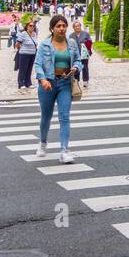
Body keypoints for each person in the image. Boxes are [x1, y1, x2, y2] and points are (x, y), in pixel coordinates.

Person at [35, 13, 82, 163]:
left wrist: (75, 67)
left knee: (64, 117)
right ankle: (43, 143)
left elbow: (79, 61)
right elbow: (37, 64)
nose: (62, 29)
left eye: (64, 26)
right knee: (46, 117)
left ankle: (64, 150)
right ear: (52, 28)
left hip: (64, 83)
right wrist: (42, 80)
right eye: (58, 26)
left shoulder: (72, 44)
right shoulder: (45, 44)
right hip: (48, 84)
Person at [15, 19, 39, 91]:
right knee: (23, 69)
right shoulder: (23, 34)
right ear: (27, 26)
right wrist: (21, 50)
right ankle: (21, 83)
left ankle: (28, 83)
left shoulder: (34, 34)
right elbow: (17, 44)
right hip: (24, 54)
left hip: (32, 54)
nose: (32, 27)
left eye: (33, 26)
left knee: (29, 69)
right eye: (30, 26)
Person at [70, 19, 93, 90]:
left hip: (84, 54)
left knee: (85, 67)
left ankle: (85, 81)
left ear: (80, 26)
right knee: (76, 68)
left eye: (78, 26)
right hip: (75, 55)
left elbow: (90, 42)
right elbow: (69, 45)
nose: (77, 27)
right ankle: (77, 81)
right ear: (73, 28)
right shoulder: (71, 35)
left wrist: (86, 45)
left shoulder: (86, 34)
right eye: (75, 26)